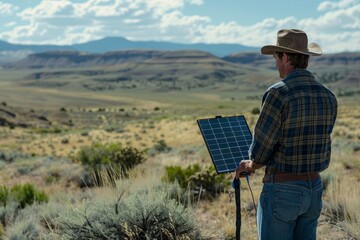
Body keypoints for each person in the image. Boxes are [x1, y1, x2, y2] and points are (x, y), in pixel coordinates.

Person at [235, 29, 338, 240]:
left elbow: (262, 147)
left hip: (283, 191)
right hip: (314, 189)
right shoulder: (328, 96)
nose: (275, 63)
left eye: (276, 57)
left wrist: (251, 165)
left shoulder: (278, 93)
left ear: (285, 57)